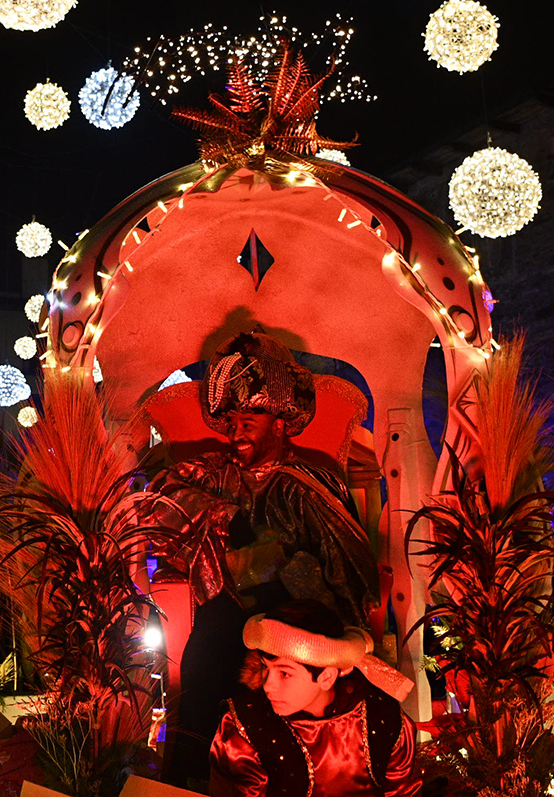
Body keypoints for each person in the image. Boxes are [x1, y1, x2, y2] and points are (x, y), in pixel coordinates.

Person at [149, 331, 378, 787]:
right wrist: (224, 517)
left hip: (293, 630)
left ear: (278, 422)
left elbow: (347, 570)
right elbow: (160, 497)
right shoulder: (213, 472)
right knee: (204, 673)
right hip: (220, 619)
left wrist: (290, 573)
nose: (236, 433)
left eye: (247, 420)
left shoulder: (307, 482)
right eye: (230, 421)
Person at [208, 600, 419, 797]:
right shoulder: (246, 727)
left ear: (326, 676)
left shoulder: (382, 717)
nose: (268, 684)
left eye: (285, 673)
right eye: (265, 667)